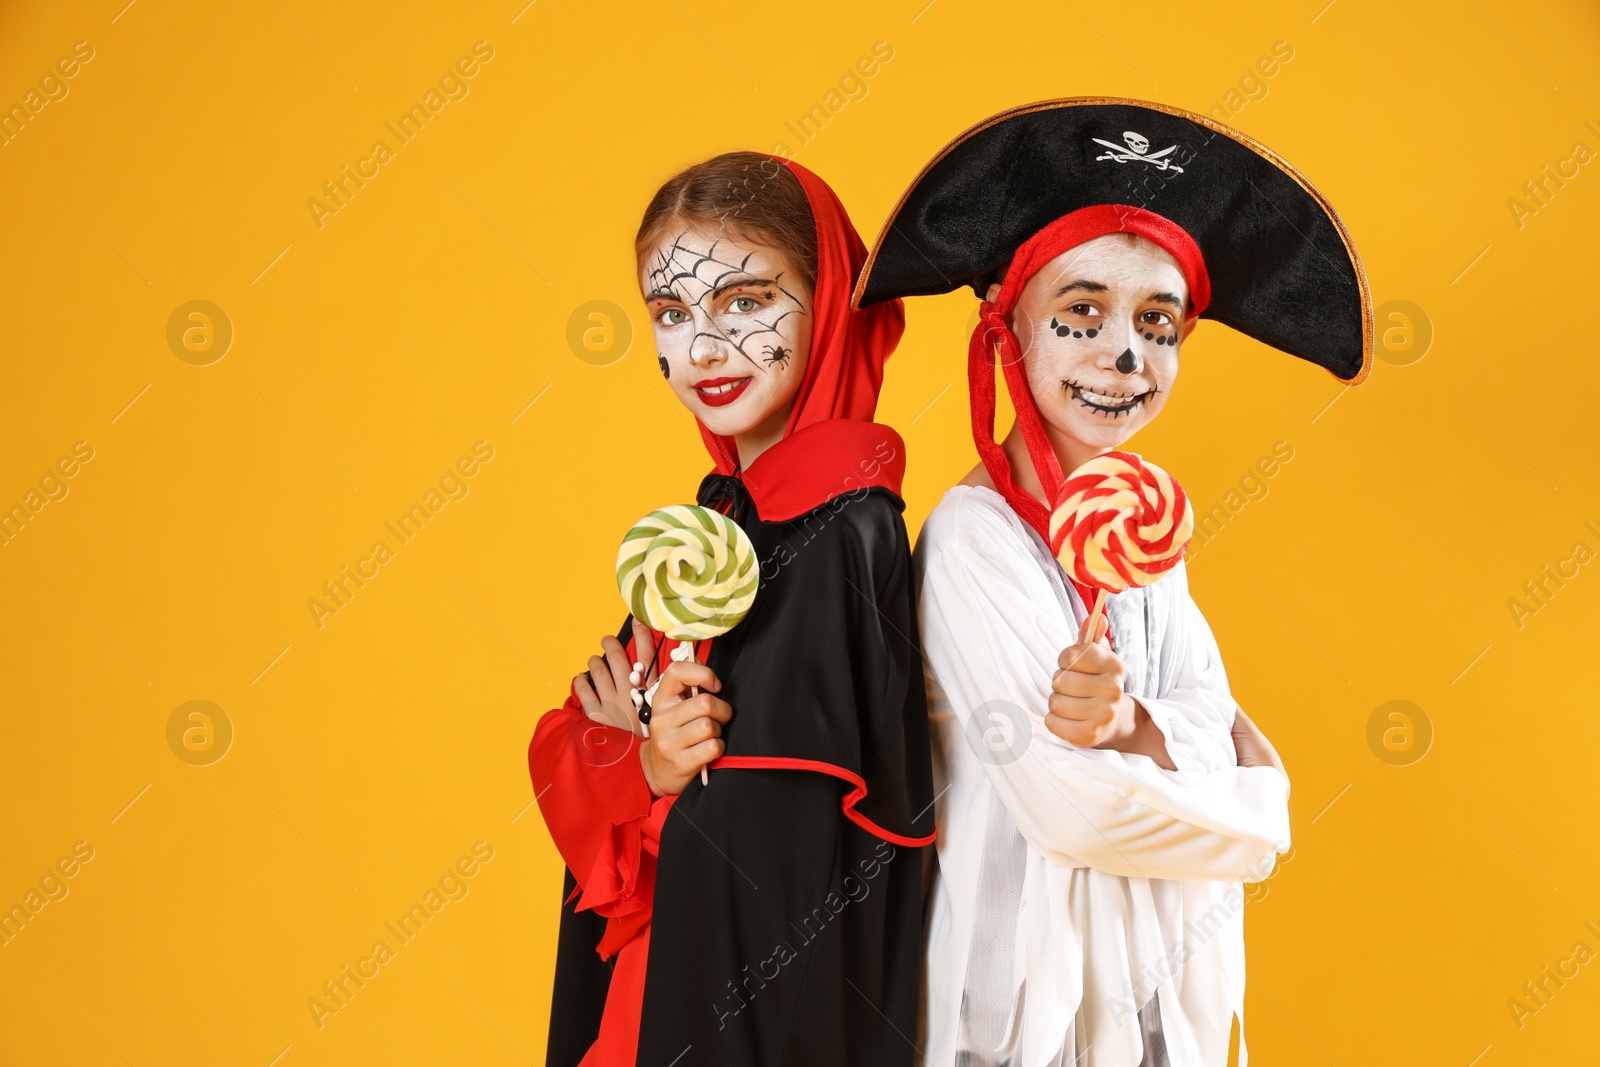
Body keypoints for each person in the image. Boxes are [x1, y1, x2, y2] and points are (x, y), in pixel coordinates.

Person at [853, 99, 1371, 1065]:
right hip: (1012, 1012)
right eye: (1081, 312)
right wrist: (1259, 811)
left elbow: (1201, 707)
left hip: (1156, 1001)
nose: (1124, 355)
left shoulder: (1143, 535)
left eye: (1158, 322)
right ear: (1009, 332)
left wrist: (1134, 727)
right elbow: (1070, 810)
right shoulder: (973, 537)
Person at [530, 151, 935, 1067]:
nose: (705, 348)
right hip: (648, 991)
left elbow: (774, 864)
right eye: (673, 313)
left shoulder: (843, 532)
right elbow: (579, 741)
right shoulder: (715, 522)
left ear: (829, 300)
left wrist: (645, 765)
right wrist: (645, 768)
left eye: (747, 301)